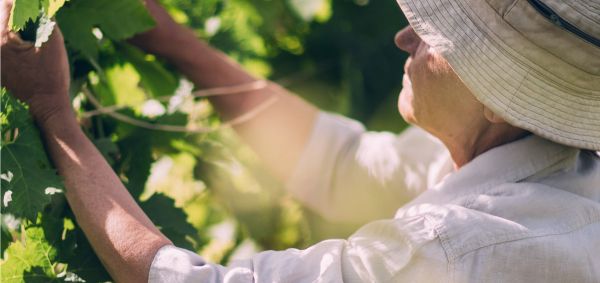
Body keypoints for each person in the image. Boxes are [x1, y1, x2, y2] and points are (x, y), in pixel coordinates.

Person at [2, 0, 599, 281]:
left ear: (500, 96)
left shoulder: (465, 252)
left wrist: (55, 112)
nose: (403, 39)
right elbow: (343, 165)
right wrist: (162, 33)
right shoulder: (549, 173)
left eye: (436, 36)